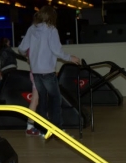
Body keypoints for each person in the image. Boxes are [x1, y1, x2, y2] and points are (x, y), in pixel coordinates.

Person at [18, 5, 80, 133]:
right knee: (55, 99)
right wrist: (70, 58)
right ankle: (57, 128)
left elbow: (22, 48)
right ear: (52, 17)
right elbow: (56, 50)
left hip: (35, 72)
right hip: (47, 71)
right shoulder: (51, 30)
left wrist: (29, 56)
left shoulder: (32, 29)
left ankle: (43, 129)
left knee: (42, 100)